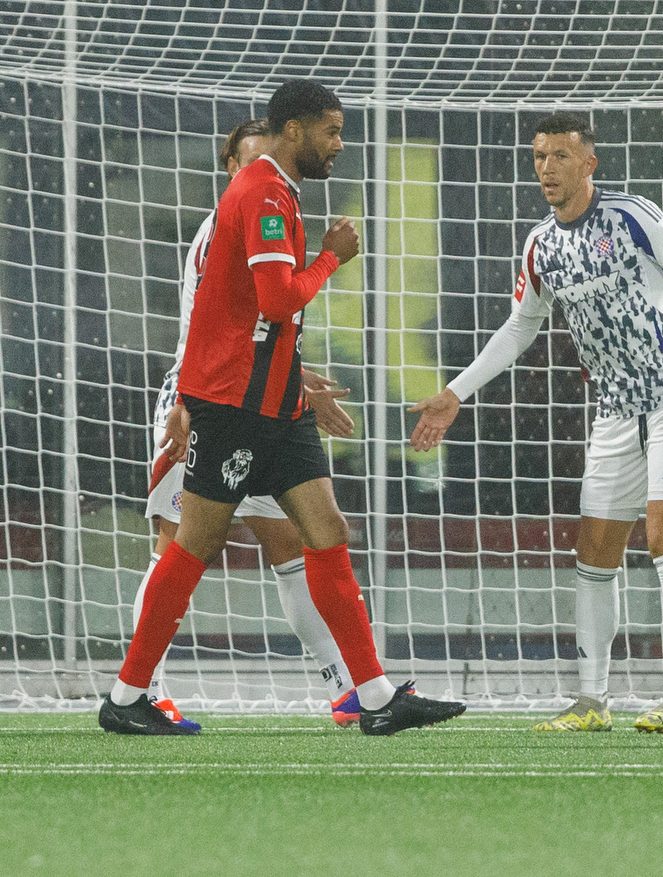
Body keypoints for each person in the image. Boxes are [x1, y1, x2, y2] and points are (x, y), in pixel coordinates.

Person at [99, 79, 465, 736]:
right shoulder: (266, 192)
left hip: (276, 401)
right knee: (193, 546)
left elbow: (253, 316)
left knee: (325, 531)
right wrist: (332, 256)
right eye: (330, 131)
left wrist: (299, 381)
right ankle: (128, 695)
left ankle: (375, 696)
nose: (339, 144)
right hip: (237, 405)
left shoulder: (275, 191)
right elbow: (275, 300)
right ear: (293, 130)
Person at [409, 113, 663, 733]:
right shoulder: (541, 245)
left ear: (589, 163)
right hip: (611, 410)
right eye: (538, 157)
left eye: (559, 155)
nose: (546, 168)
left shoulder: (632, 216)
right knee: (594, 554)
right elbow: (521, 326)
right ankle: (591, 700)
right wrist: (455, 392)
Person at [138, 119, 362, 729]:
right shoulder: (224, 228)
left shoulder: (269, 213)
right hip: (203, 399)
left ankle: (346, 687)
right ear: (230, 167)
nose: (260, 172)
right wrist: (186, 404)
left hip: (259, 399)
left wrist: (296, 380)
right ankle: (145, 688)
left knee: (293, 543)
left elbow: (262, 330)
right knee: (178, 545)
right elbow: (222, 327)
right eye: (248, 161)